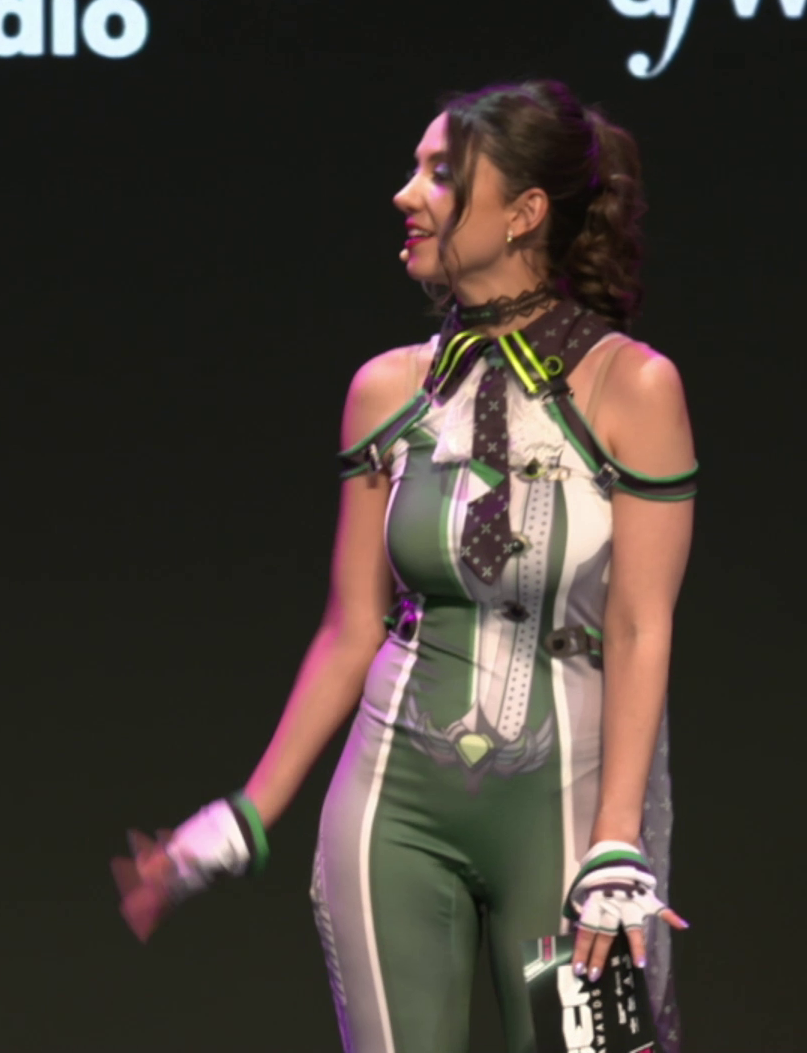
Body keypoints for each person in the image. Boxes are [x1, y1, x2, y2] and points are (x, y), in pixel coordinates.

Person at [112, 78, 696, 1053]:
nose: (405, 195)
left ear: (525, 211)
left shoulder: (632, 386)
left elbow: (641, 625)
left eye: (440, 174)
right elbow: (353, 627)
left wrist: (616, 839)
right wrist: (242, 818)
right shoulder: (386, 390)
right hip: (393, 809)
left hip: (570, 818)